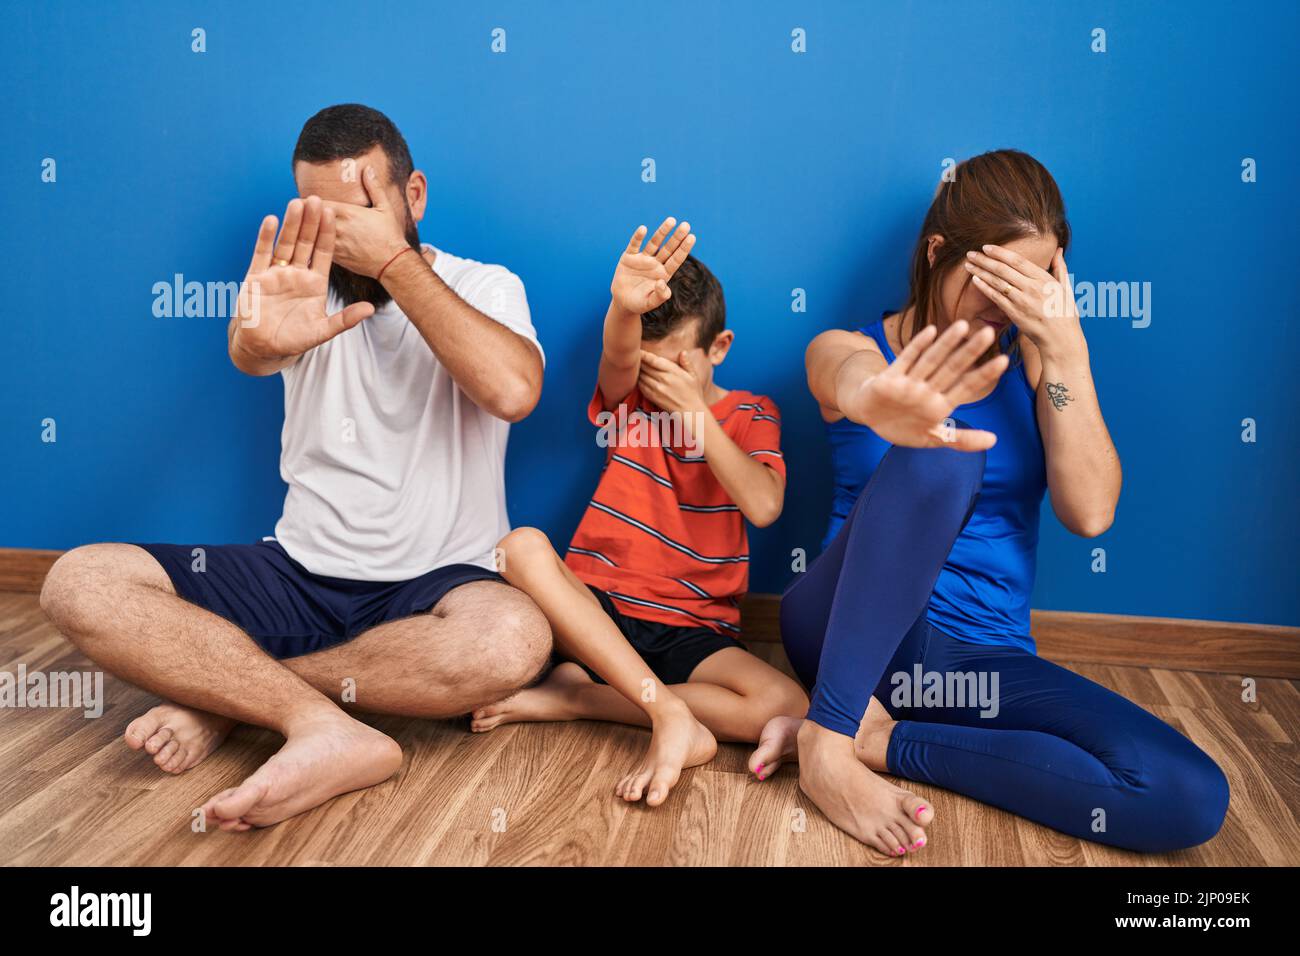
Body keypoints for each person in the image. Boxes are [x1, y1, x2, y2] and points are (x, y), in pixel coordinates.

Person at [39, 104, 552, 830]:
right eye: (323, 215)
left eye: (361, 212)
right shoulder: (301, 284)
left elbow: (512, 391)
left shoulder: (486, 286)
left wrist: (392, 263)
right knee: (79, 581)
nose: (342, 236)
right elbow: (255, 351)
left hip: (440, 585)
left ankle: (228, 699)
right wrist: (257, 345)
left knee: (513, 639)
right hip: (297, 573)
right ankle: (325, 725)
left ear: (415, 197)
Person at [767, 149, 1229, 856]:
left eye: (1032, 284)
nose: (1007, 307)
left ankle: (879, 738)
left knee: (1187, 794)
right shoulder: (849, 347)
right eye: (994, 280)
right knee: (945, 450)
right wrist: (882, 402)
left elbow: (1091, 514)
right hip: (844, 635)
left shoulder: (1044, 368)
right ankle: (829, 741)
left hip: (976, 664)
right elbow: (847, 377)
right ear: (938, 253)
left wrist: (1066, 354)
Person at [472, 220, 808, 805]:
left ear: (718, 349)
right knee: (520, 546)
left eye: (675, 369)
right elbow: (619, 354)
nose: (659, 385)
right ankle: (665, 709)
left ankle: (580, 699)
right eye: (651, 371)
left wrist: (695, 415)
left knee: (785, 706)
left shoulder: (753, 412)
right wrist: (623, 308)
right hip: (599, 611)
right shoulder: (630, 404)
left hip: (695, 626)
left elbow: (763, 504)